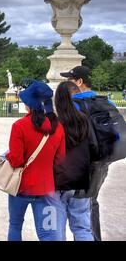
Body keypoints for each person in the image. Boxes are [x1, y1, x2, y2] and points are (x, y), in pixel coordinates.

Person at [60, 65, 116, 241]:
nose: (68, 83)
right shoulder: (106, 102)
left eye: (70, 79)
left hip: (82, 164)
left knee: (79, 211)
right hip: (102, 161)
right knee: (92, 202)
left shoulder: (74, 105)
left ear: (79, 82)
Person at [5, 80, 66, 241]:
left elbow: (16, 160)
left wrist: (7, 156)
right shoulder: (58, 127)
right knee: (47, 233)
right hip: (46, 188)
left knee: (15, 225)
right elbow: (60, 159)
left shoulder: (19, 125)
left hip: (21, 187)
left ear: (29, 104)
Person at [53, 81, 96, 241]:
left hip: (58, 180)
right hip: (81, 179)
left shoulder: (54, 123)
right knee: (82, 228)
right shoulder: (85, 120)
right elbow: (93, 147)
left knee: (56, 231)